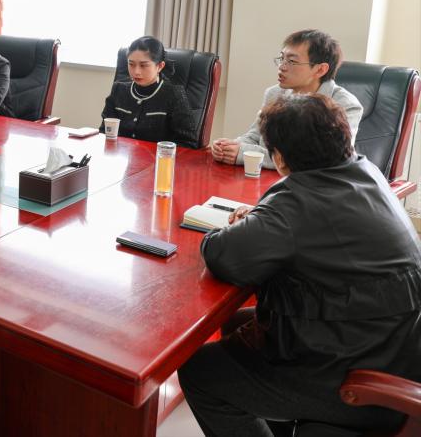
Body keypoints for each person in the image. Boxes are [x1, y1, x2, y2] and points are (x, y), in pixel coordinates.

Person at [179, 94, 421, 437]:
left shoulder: (297, 203)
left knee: (200, 371)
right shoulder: (367, 173)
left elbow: (222, 255)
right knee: (236, 322)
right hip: (395, 350)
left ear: (279, 158)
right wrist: (263, 221)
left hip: (357, 379)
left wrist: (250, 224)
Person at [212, 29, 362, 169]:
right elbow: (255, 136)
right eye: (282, 58)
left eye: (292, 61)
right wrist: (229, 147)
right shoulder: (275, 93)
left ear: (320, 69)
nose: (282, 67)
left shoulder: (345, 104)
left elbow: (324, 159)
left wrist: (245, 154)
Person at [99, 36, 199, 148]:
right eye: (131, 64)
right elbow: (104, 132)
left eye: (143, 65)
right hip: (120, 156)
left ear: (160, 66)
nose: (136, 72)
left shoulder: (174, 95)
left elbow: (188, 144)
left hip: (159, 158)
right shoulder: (118, 90)